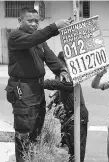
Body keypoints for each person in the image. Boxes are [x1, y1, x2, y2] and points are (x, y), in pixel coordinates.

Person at [4, 8, 71, 162]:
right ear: (20, 21)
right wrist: (54, 26)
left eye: (37, 21)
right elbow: (33, 39)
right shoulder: (15, 36)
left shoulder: (38, 39)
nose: (34, 24)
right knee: (24, 134)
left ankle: (32, 158)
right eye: (30, 20)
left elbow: (50, 56)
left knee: (36, 131)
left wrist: (61, 70)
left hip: (37, 90)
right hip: (23, 91)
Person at [44, 51, 89, 162]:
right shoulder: (61, 74)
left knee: (77, 151)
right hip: (67, 117)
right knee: (69, 148)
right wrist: (53, 100)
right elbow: (60, 89)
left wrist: (37, 82)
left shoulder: (71, 76)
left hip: (77, 116)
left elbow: (56, 84)